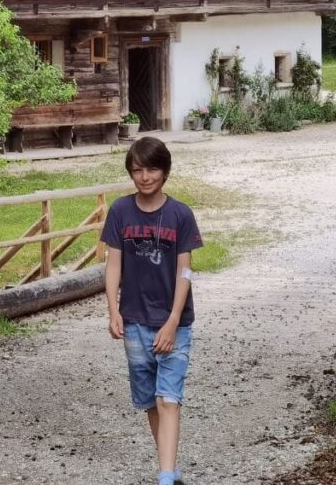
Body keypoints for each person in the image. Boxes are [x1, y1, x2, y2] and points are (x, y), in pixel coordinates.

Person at [102, 137, 203, 485]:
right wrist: (113, 309)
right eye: (137, 170)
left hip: (174, 323)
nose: (145, 177)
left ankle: (163, 478)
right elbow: (114, 264)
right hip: (134, 322)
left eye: (152, 169)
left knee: (168, 399)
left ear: (165, 171)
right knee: (149, 400)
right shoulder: (119, 211)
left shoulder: (180, 215)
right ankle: (170, 471)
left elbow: (185, 272)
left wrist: (174, 321)